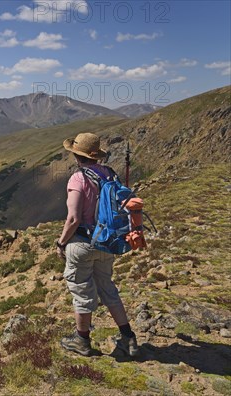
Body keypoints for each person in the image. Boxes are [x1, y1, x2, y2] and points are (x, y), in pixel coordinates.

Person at [56, 132, 138, 357]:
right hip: (107, 241)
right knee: (107, 288)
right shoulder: (109, 174)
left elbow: (73, 219)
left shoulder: (78, 178)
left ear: (76, 155)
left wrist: (62, 243)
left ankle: (82, 341)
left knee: (82, 292)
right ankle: (128, 338)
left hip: (82, 242)